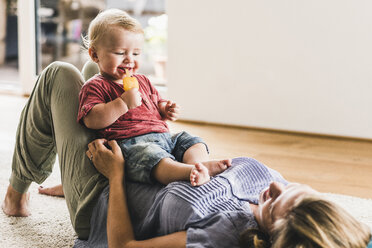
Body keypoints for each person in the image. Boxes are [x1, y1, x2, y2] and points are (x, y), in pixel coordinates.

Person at [78, 138, 372, 248]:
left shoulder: (222, 235)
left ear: (273, 235)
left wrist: (115, 175)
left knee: (59, 76)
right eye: (295, 190)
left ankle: (29, 180)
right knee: (108, 65)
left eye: (275, 202)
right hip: (151, 155)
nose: (275, 186)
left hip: (102, 193)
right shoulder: (289, 203)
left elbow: (124, 246)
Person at [77, 8, 231, 187]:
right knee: (152, 159)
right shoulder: (96, 86)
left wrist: (165, 109)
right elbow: (92, 119)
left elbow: (156, 104)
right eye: (120, 53)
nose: (129, 60)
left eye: (135, 54)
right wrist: (122, 103)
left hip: (164, 137)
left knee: (191, 141)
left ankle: (199, 165)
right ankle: (187, 172)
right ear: (94, 54)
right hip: (131, 145)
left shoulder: (142, 80)